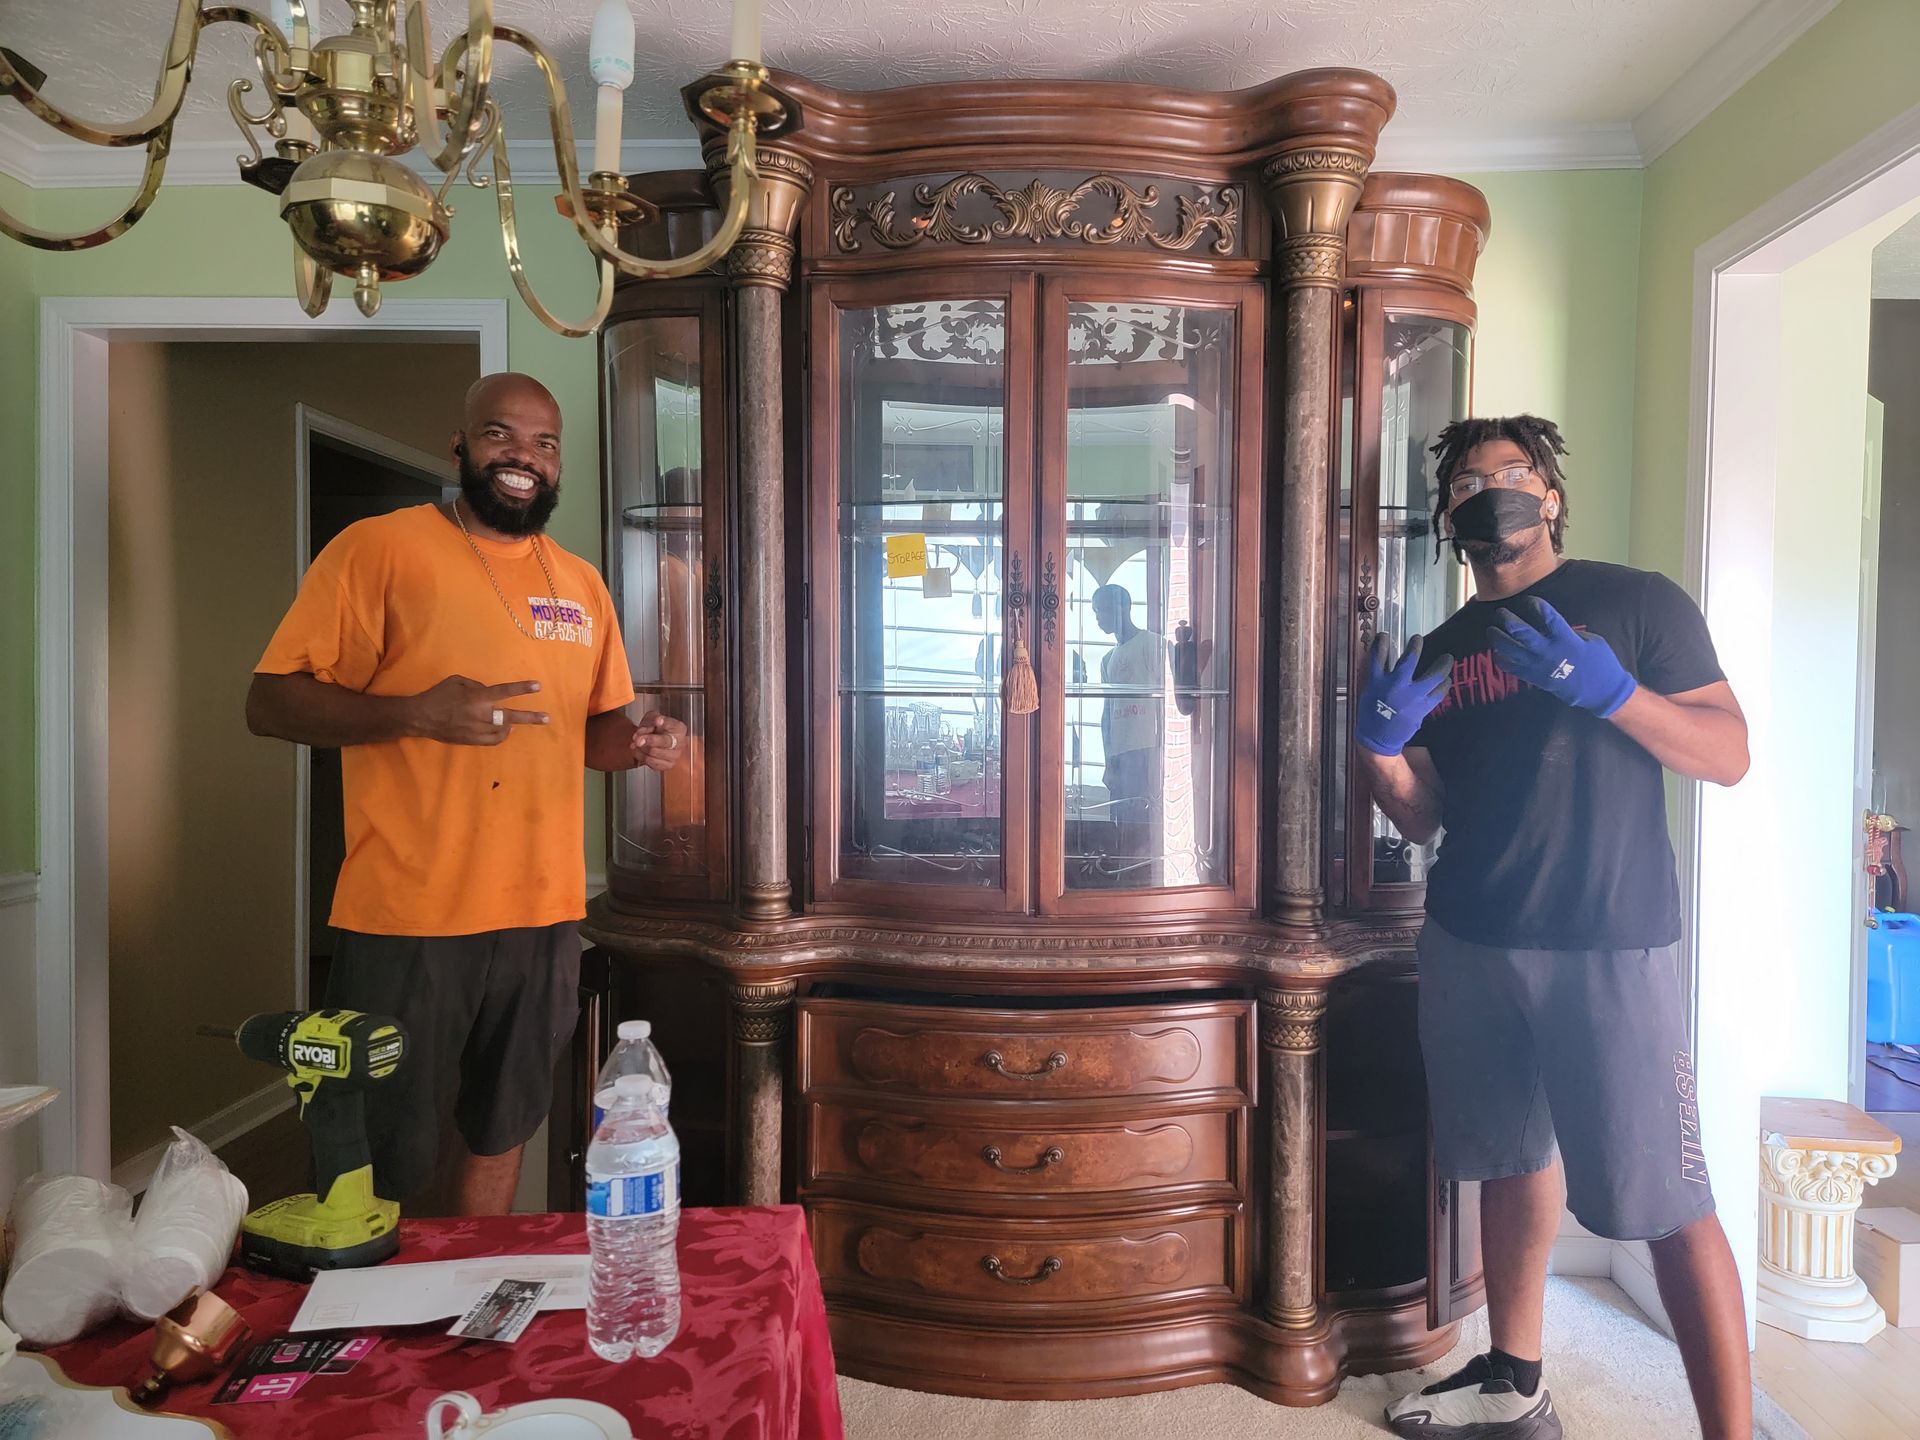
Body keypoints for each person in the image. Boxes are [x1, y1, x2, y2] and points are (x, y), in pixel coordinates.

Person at [1356, 416, 1752, 1440]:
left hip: (1610, 942)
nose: (1491, 490)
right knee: (1507, 1160)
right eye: (1467, 482)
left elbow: (1727, 754)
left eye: (1513, 471)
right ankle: (1515, 1383)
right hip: (1470, 939)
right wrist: (1380, 751)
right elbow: (1424, 816)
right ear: (1448, 515)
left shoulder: (1636, 601)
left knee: (1668, 1200)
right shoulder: (1442, 650)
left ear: (1551, 495)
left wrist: (1612, 692)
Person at [246, 372, 686, 1217]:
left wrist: (638, 745)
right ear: (460, 447)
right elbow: (269, 702)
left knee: (503, 1126)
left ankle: (471, 1290)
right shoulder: (381, 549)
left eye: (543, 444)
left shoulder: (580, 584)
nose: (523, 457)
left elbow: (593, 732)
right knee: (383, 1142)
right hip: (409, 911)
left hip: (542, 911)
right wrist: (414, 712)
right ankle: (374, 1292)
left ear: (557, 465)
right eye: (500, 435)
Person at [1091, 584, 1166, 854]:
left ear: (1122, 608)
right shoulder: (1107, 659)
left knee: (1146, 822)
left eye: (1102, 610)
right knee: (1122, 825)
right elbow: (1107, 714)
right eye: (1095, 612)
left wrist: (1160, 755)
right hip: (1120, 755)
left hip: (1147, 749)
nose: (1098, 618)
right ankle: (1125, 870)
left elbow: (1166, 705)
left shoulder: (1153, 645)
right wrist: (1109, 760)